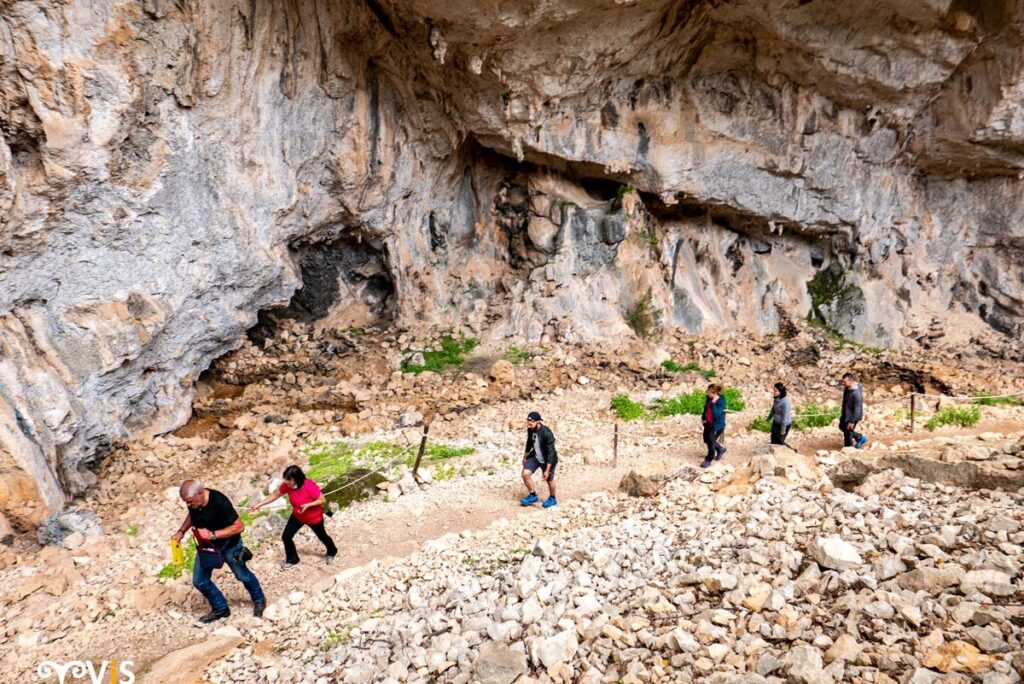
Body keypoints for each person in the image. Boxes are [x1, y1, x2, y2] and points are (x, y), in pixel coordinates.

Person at [171, 479, 265, 623]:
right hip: (206, 547)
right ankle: (221, 609)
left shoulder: (219, 502)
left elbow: (239, 526)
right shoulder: (194, 504)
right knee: (199, 581)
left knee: (242, 575)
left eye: (189, 501)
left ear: (200, 493)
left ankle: (259, 599)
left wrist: (213, 534)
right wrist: (181, 531)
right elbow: (192, 515)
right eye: (186, 502)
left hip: (229, 545)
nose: (188, 505)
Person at [248, 465, 337, 569]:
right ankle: (293, 559)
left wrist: (308, 505)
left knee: (322, 536)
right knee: (286, 536)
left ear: (296, 478)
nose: (286, 481)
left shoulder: (309, 486)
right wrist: (259, 505)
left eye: (288, 479)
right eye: (285, 479)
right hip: (297, 515)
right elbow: (275, 495)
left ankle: (332, 551)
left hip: (313, 517)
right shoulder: (287, 485)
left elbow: (322, 499)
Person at [520, 411, 558, 508]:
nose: (528, 425)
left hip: (548, 460)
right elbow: (529, 442)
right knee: (525, 474)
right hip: (536, 456)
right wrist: (525, 455)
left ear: (538, 422)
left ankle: (552, 498)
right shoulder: (531, 430)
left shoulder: (546, 433)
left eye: (531, 423)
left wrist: (547, 470)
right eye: (528, 423)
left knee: (549, 480)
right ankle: (533, 496)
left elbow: (551, 452)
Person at [700, 383, 727, 468]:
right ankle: (720, 449)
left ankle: (708, 459)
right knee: (707, 439)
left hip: (716, 425)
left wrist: (714, 403)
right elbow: (706, 408)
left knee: (711, 442)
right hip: (708, 423)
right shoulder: (709, 398)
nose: (707, 393)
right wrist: (703, 418)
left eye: (708, 392)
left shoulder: (721, 401)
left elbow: (716, 414)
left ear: (714, 393)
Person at [840, 372, 868, 449]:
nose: (843, 383)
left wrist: (852, 421)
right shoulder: (847, 388)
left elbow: (857, 408)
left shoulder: (856, 394)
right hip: (846, 412)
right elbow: (844, 399)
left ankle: (848, 448)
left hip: (853, 415)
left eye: (844, 382)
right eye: (843, 381)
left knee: (848, 432)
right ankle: (859, 438)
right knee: (841, 426)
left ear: (850, 381)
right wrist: (843, 408)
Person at [767, 382, 794, 447]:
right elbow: (773, 410)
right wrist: (768, 418)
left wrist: (783, 429)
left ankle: (791, 451)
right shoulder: (776, 399)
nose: (774, 392)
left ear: (780, 392)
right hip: (776, 422)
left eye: (775, 391)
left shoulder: (785, 402)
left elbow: (784, 417)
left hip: (784, 424)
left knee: (779, 442)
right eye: (774, 390)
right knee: (773, 440)